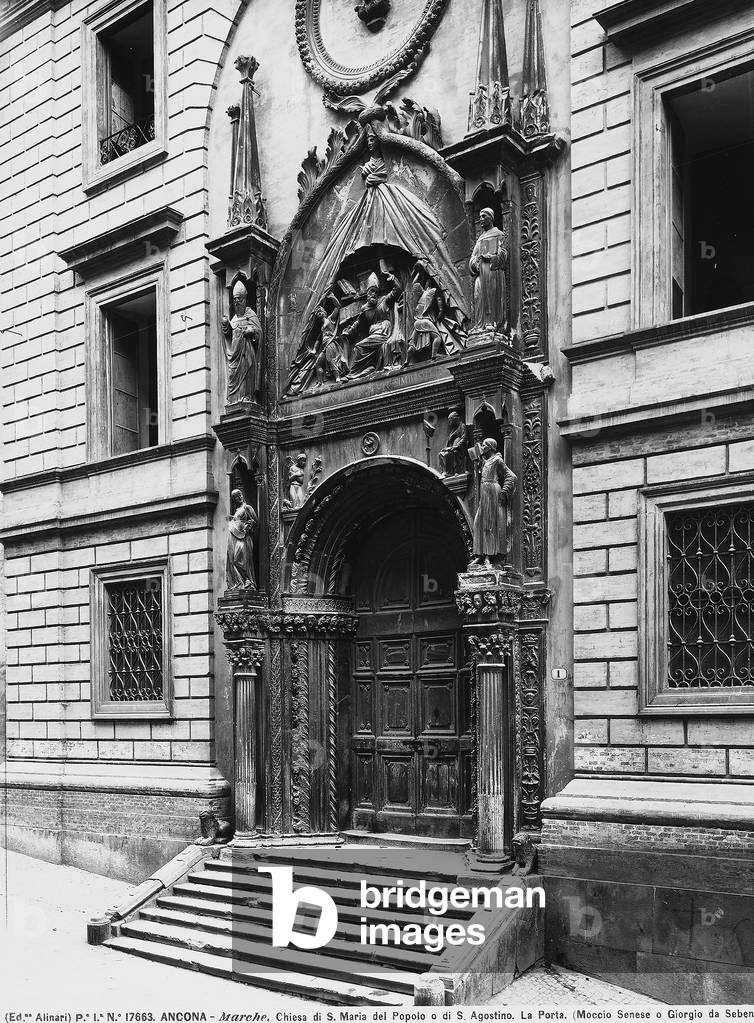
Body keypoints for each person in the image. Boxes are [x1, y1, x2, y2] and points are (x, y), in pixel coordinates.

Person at [344, 270, 403, 378]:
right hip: (374, 333)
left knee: (359, 346)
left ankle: (354, 373)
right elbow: (359, 323)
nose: (374, 294)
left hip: (383, 331)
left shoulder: (383, 301)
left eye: (376, 291)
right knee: (360, 347)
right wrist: (350, 332)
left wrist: (392, 278)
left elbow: (397, 290)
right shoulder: (365, 308)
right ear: (367, 294)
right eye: (371, 291)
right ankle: (369, 368)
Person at [470, 438, 516, 568]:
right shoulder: (487, 461)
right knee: (478, 522)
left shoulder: (497, 460)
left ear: (490, 447)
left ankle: (488, 556)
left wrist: (504, 491)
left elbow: (511, 476)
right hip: (484, 493)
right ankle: (479, 554)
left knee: (490, 524)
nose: (482, 447)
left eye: (484, 445)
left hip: (492, 491)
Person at [222, 280, 263, 403]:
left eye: (239, 299)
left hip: (246, 353)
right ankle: (234, 399)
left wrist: (252, 330)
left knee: (247, 374)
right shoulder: (234, 318)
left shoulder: (251, 314)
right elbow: (230, 335)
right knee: (232, 374)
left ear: (244, 299)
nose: (236, 302)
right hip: (235, 354)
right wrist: (226, 326)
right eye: (234, 299)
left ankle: (247, 397)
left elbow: (259, 332)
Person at [469, 208, 508, 333]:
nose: (481, 219)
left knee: (491, 296)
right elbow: (472, 258)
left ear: (490, 218)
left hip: (492, 272)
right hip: (481, 272)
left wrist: (492, 257)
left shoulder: (498, 234)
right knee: (478, 295)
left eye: (483, 216)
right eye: (480, 216)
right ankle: (480, 324)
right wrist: (475, 262)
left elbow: (503, 254)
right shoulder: (480, 238)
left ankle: (491, 323)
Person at [226, 488, 257, 589]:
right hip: (235, 537)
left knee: (240, 560)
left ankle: (248, 580)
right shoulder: (236, 511)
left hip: (244, 538)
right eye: (235, 497)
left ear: (242, 495)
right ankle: (240, 582)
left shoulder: (247, 507)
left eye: (239, 495)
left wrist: (248, 526)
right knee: (233, 560)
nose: (238, 497)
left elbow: (255, 522)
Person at [439, 411, 468, 476]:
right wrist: (447, 448)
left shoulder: (462, 426)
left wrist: (456, 446)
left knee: (447, 455)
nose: (449, 423)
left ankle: (451, 472)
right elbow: (449, 441)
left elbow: (464, 438)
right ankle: (445, 471)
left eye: (450, 420)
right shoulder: (453, 430)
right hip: (453, 448)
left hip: (460, 450)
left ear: (455, 419)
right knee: (441, 454)